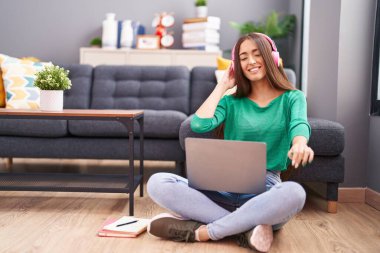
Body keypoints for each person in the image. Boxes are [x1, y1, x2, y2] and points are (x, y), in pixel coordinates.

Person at [146, 32, 314, 252]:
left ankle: (206, 231)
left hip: (265, 192)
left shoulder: (292, 97)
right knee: (157, 182)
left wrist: (300, 143)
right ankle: (245, 229)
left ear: (272, 58)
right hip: (220, 191)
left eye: (257, 54)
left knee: (295, 193)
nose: (251, 61)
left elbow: (299, 125)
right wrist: (223, 86)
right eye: (243, 57)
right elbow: (199, 125)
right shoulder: (230, 101)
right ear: (237, 65)